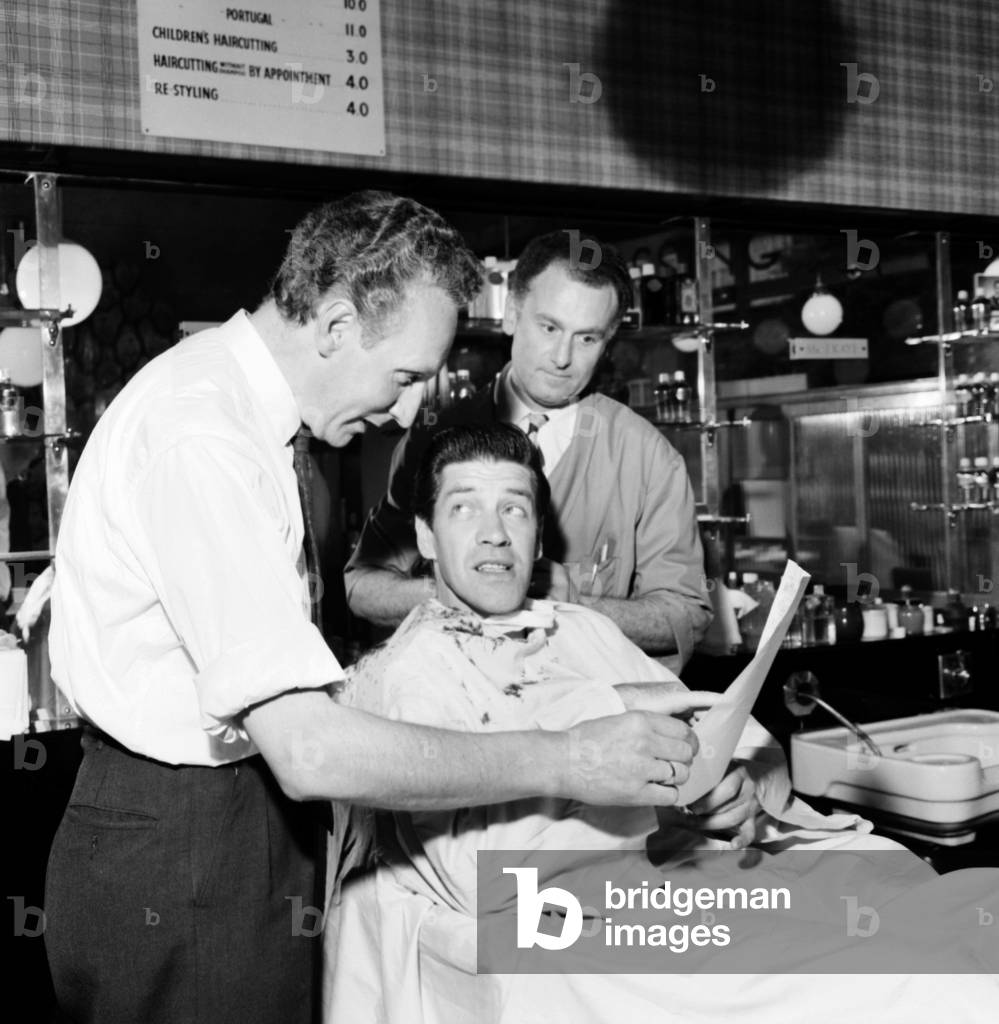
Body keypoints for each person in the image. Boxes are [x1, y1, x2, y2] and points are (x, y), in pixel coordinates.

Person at [43, 193, 707, 1024]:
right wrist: (567, 759)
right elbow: (312, 751)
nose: (402, 412)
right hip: (182, 847)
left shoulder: (240, 418)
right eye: (402, 377)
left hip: (230, 823)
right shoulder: (201, 439)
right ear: (333, 327)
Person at [325, 423, 999, 1023]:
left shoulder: (581, 628)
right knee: (915, 981)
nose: (493, 532)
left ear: (536, 536)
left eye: (514, 508)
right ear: (423, 536)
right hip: (594, 911)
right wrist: (653, 814)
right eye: (463, 508)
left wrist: (730, 785)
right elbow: (477, 877)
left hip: (691, 867)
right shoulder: (412, 673)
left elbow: (728, 743)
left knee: (917, 894)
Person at [344, 231, 712, 671]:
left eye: (587, 338)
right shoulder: (432, 437)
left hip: (593, 712)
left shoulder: (647, 456)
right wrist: (464, 590)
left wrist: (573, 604)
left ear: (609, 341)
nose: (562, 357)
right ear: (512, 315)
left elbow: (685, 615)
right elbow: (363, 586)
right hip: (461, 712)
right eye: (549, 326)